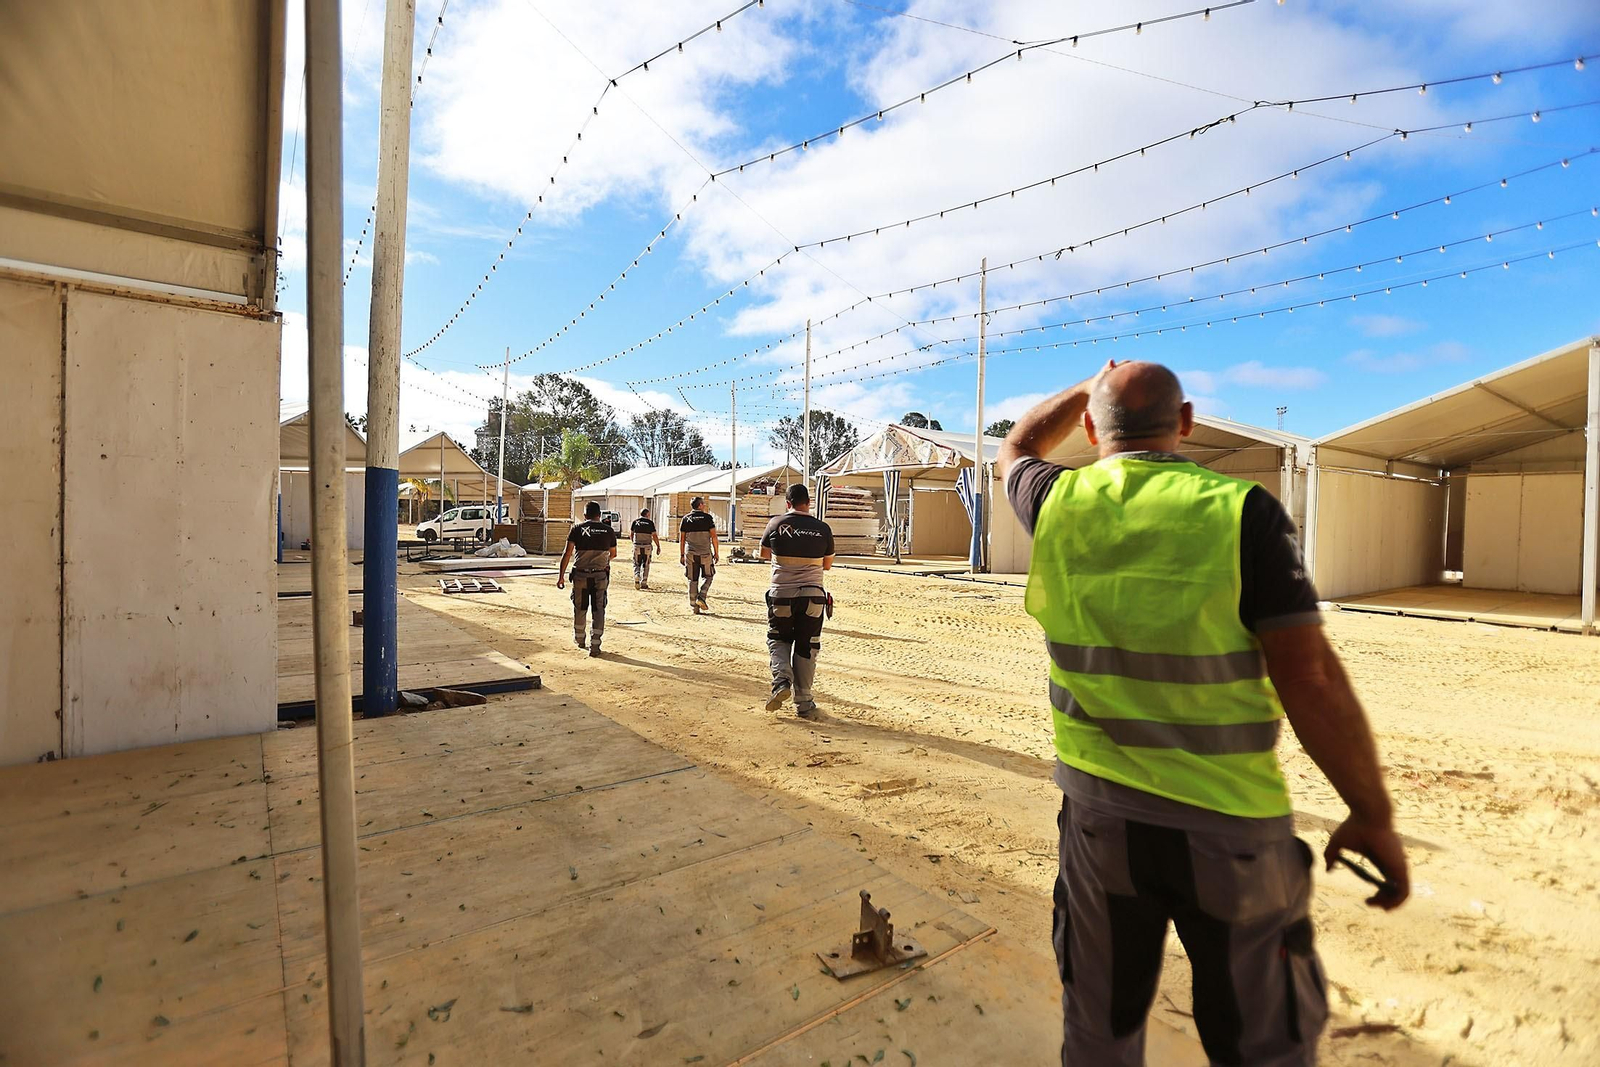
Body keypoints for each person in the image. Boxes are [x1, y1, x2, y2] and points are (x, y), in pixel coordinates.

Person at [998, 359, 1409, 1067]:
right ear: (1184, 422)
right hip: (1231, 832)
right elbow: (1310, 681)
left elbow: (1016, 448)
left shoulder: (1058, 501)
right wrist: (1370, 811)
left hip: (1101, 825)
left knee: (1100, 1033)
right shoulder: (1240, 512)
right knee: (1261, 1042)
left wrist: (1086, 385)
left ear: (1092, 426)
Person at [759, 483, 834, 719]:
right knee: (807, 645)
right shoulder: (823, 528)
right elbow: (827, 565)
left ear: (787, 504)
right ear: (809, 503)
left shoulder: (775, 524)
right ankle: (804, 702)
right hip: (812, 596)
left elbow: (763, 554)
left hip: (781, 594)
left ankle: (781, 681)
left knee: (779, 638)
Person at [557, 500, 618, 657]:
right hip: (600, 576)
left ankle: (580, 639)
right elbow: (613, 554)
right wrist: (602, 562)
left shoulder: (577, 529)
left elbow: (567, 553)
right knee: (598, 609)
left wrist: (561, 577)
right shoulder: (608, 530)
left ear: (585, 515)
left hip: (580, 576)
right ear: (599, 515)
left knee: (580, 607)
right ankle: (595, 645)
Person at [679, 496, 720, 614]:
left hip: (690, 553)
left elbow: (682, 539)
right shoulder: (707, 518)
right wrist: (716, 552)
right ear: (700, 505)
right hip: (705, 553)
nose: (704, 505)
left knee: (692, 579)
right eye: (703, 504)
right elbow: (714, 537)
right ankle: (701, 596)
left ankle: (694, 606)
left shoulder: (686, 519)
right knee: (709, 576)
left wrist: (682, 554)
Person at [630, 507, 661, 589]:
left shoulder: (635, 522)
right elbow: (654, 535)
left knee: (636, 563)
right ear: (647, 514)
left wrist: (633, 543)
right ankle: (644, 582)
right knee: (646, 564)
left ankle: (637, 575)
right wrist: (658, 546)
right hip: (647, 546)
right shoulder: (650, 523)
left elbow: (631, 534)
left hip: (637, 545)